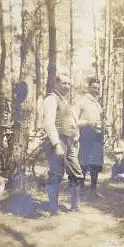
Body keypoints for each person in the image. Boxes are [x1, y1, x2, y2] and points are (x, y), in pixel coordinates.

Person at [42, 74, 84, 215]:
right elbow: (48, 123)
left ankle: (74, 206)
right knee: (56, 174)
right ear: (56, 83)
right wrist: (56, 144)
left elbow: (72, 121)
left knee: (76, 173)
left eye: (68, 84)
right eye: (64, 83)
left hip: (69, 141)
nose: (67, 86)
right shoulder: (51, 99)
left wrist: (76, 134)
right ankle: (53, 209)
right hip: (58, 140)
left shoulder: (65, 101)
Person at [73, 77, 105, 198]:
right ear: (88, 87)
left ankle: (93, 190)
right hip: (86, 135)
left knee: (96, 163)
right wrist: (86, 123)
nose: (96, 90)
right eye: (94, 88)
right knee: (84, 163)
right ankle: (80, 190)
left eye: (98, 88)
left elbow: (100, 120)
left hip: (97, 137)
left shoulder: (98, 104)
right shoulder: (81, 101)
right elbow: (74, 120)